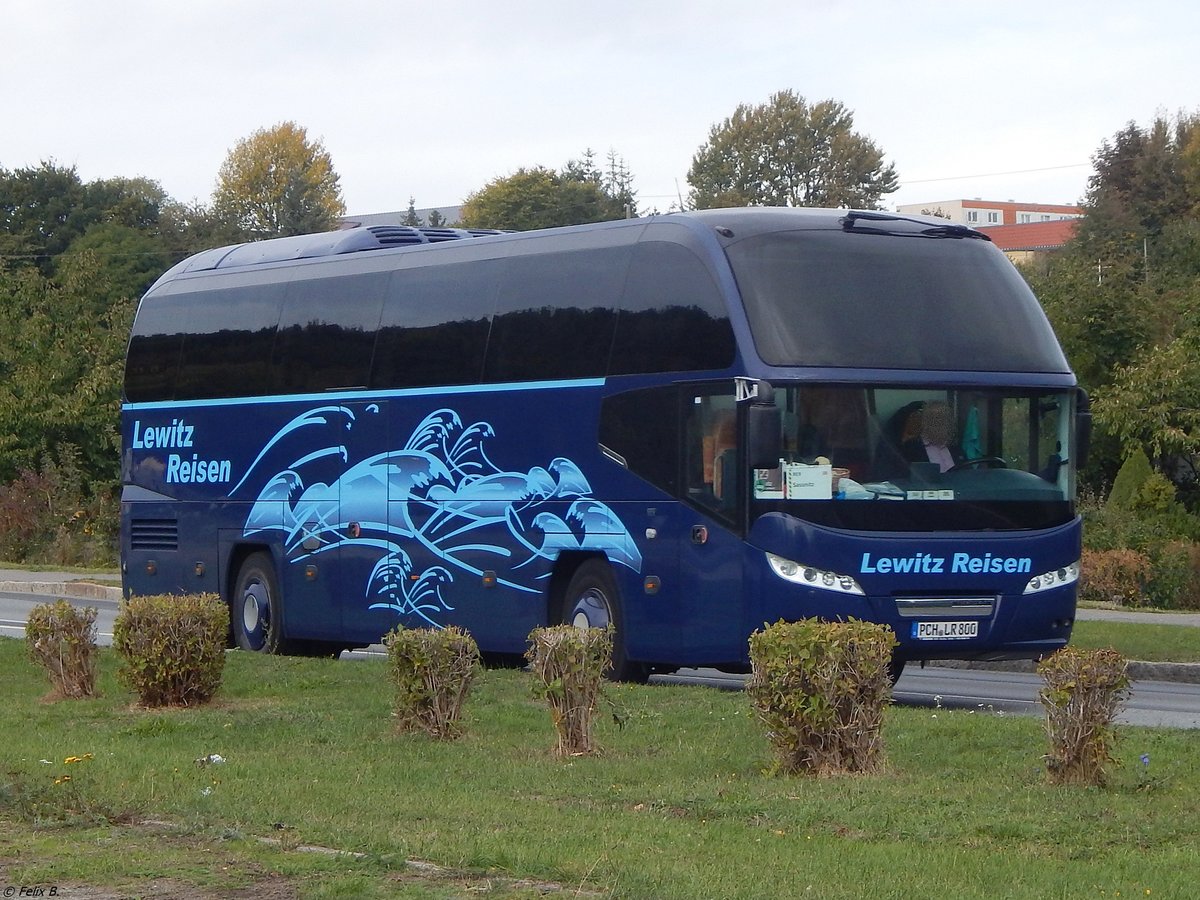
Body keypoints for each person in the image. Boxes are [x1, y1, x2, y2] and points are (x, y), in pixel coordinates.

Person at [901, 401, 963, 473]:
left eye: (945, 419)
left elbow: (966, 470)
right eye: (936, 419)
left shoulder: (953, 445)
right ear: (925, 421)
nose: (942, 423)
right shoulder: (912, 447)